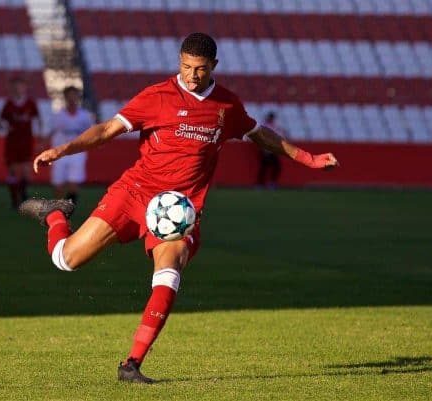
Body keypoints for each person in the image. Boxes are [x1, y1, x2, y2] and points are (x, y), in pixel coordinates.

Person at [19, 33, 338, 384]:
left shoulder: (226, 106)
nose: (192, 75)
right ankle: (55, 214)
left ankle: (131, 364)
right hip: (134, 193)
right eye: (186, 67)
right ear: (179, 62)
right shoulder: (156, 97)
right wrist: (63, 150)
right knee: (65, 260)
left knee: (168, 274)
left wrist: (308, 159)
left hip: (180, 210)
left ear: (214, 66)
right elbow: (109, 129)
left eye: (200, 69)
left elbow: (260, 133)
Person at [0, 77, 42, 208]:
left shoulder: (30, 103)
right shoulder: (8, 104)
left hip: (26, 141)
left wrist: (39, 138)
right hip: (12, 141)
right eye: (16, 86)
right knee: (12, 170)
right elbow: (0, 121)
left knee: (26, 171)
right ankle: (14, 199)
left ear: (24, 88)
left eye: (21, 86)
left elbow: (38, 120)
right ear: (12, 88)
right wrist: (4, 127)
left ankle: (23, 195)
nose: (18, 89)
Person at [46, 86, 95, 203]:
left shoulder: (85, 116)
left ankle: (67, 209)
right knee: (58, 183)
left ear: (78, 97)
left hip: (78, 153)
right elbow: (50, 131)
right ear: (65, 98)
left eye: (74, 96)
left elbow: (92, 133)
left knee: (74, 182)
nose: (72, 99)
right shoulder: (58, 115)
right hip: (59, 152)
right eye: (69, 96)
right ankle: (59, 207)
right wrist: (43, 145)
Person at [256, 111, 287, 189]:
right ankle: (261, 184)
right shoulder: (264, 126)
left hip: (272, 149)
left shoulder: (273, 126)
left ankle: (268, 183)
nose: (272, 119)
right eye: (271, 117)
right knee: (265, 167)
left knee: (274, 166)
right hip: (266, 149)